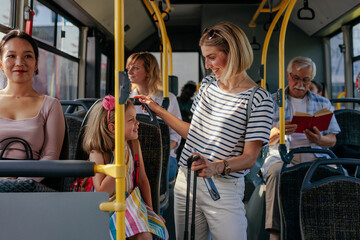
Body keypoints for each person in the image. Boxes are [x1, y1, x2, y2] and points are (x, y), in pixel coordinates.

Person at [135, 21, 274, 240]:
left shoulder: (259, 99)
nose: (208, 65)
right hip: (186, 180)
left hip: (224, 189)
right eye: (205, 58)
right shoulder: (208, 85)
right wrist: (157, 110)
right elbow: (195, 133)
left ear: (233, 53)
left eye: (212, 57)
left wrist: (215, 167)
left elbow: (249, 158)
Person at [263, 56, 340, 240]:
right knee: (275, 173)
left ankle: (333, 227)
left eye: (306, 80)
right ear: (288, 76)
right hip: (284, 154)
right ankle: (275, 231)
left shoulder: (323, 103)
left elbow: (333, 140)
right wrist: (278, 132)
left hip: (316, 153)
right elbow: (260, 139)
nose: (300, 84)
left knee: (339, 172)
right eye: (296, 78)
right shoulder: (272, 101)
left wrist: (320, 139)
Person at [82, 96, 168, 240]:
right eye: (131, 120)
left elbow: (142, 180)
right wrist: (119, 161)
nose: (137, 123)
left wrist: (152, 212)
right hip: (107, 207)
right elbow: (102, 191)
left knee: (145, 235)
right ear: (113, 127)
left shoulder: (133, 145)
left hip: (131, 202)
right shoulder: (98, 151)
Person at [0, 30, 65, 182]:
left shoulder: (51, 105)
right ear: (1, 63)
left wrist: (19, 183)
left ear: (36, 64)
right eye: (11, 56)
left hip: (30, 185)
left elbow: (50, 156)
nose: (19, 63)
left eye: (27, 56)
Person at [127, 52, 182, 180]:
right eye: (128, 68)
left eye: (135, 68)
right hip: (132, 153)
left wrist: (160, 150)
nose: (129, 72)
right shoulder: (126, 99)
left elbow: (175, 133)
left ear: (148, 71)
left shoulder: (168, 99)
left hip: (163, 155)